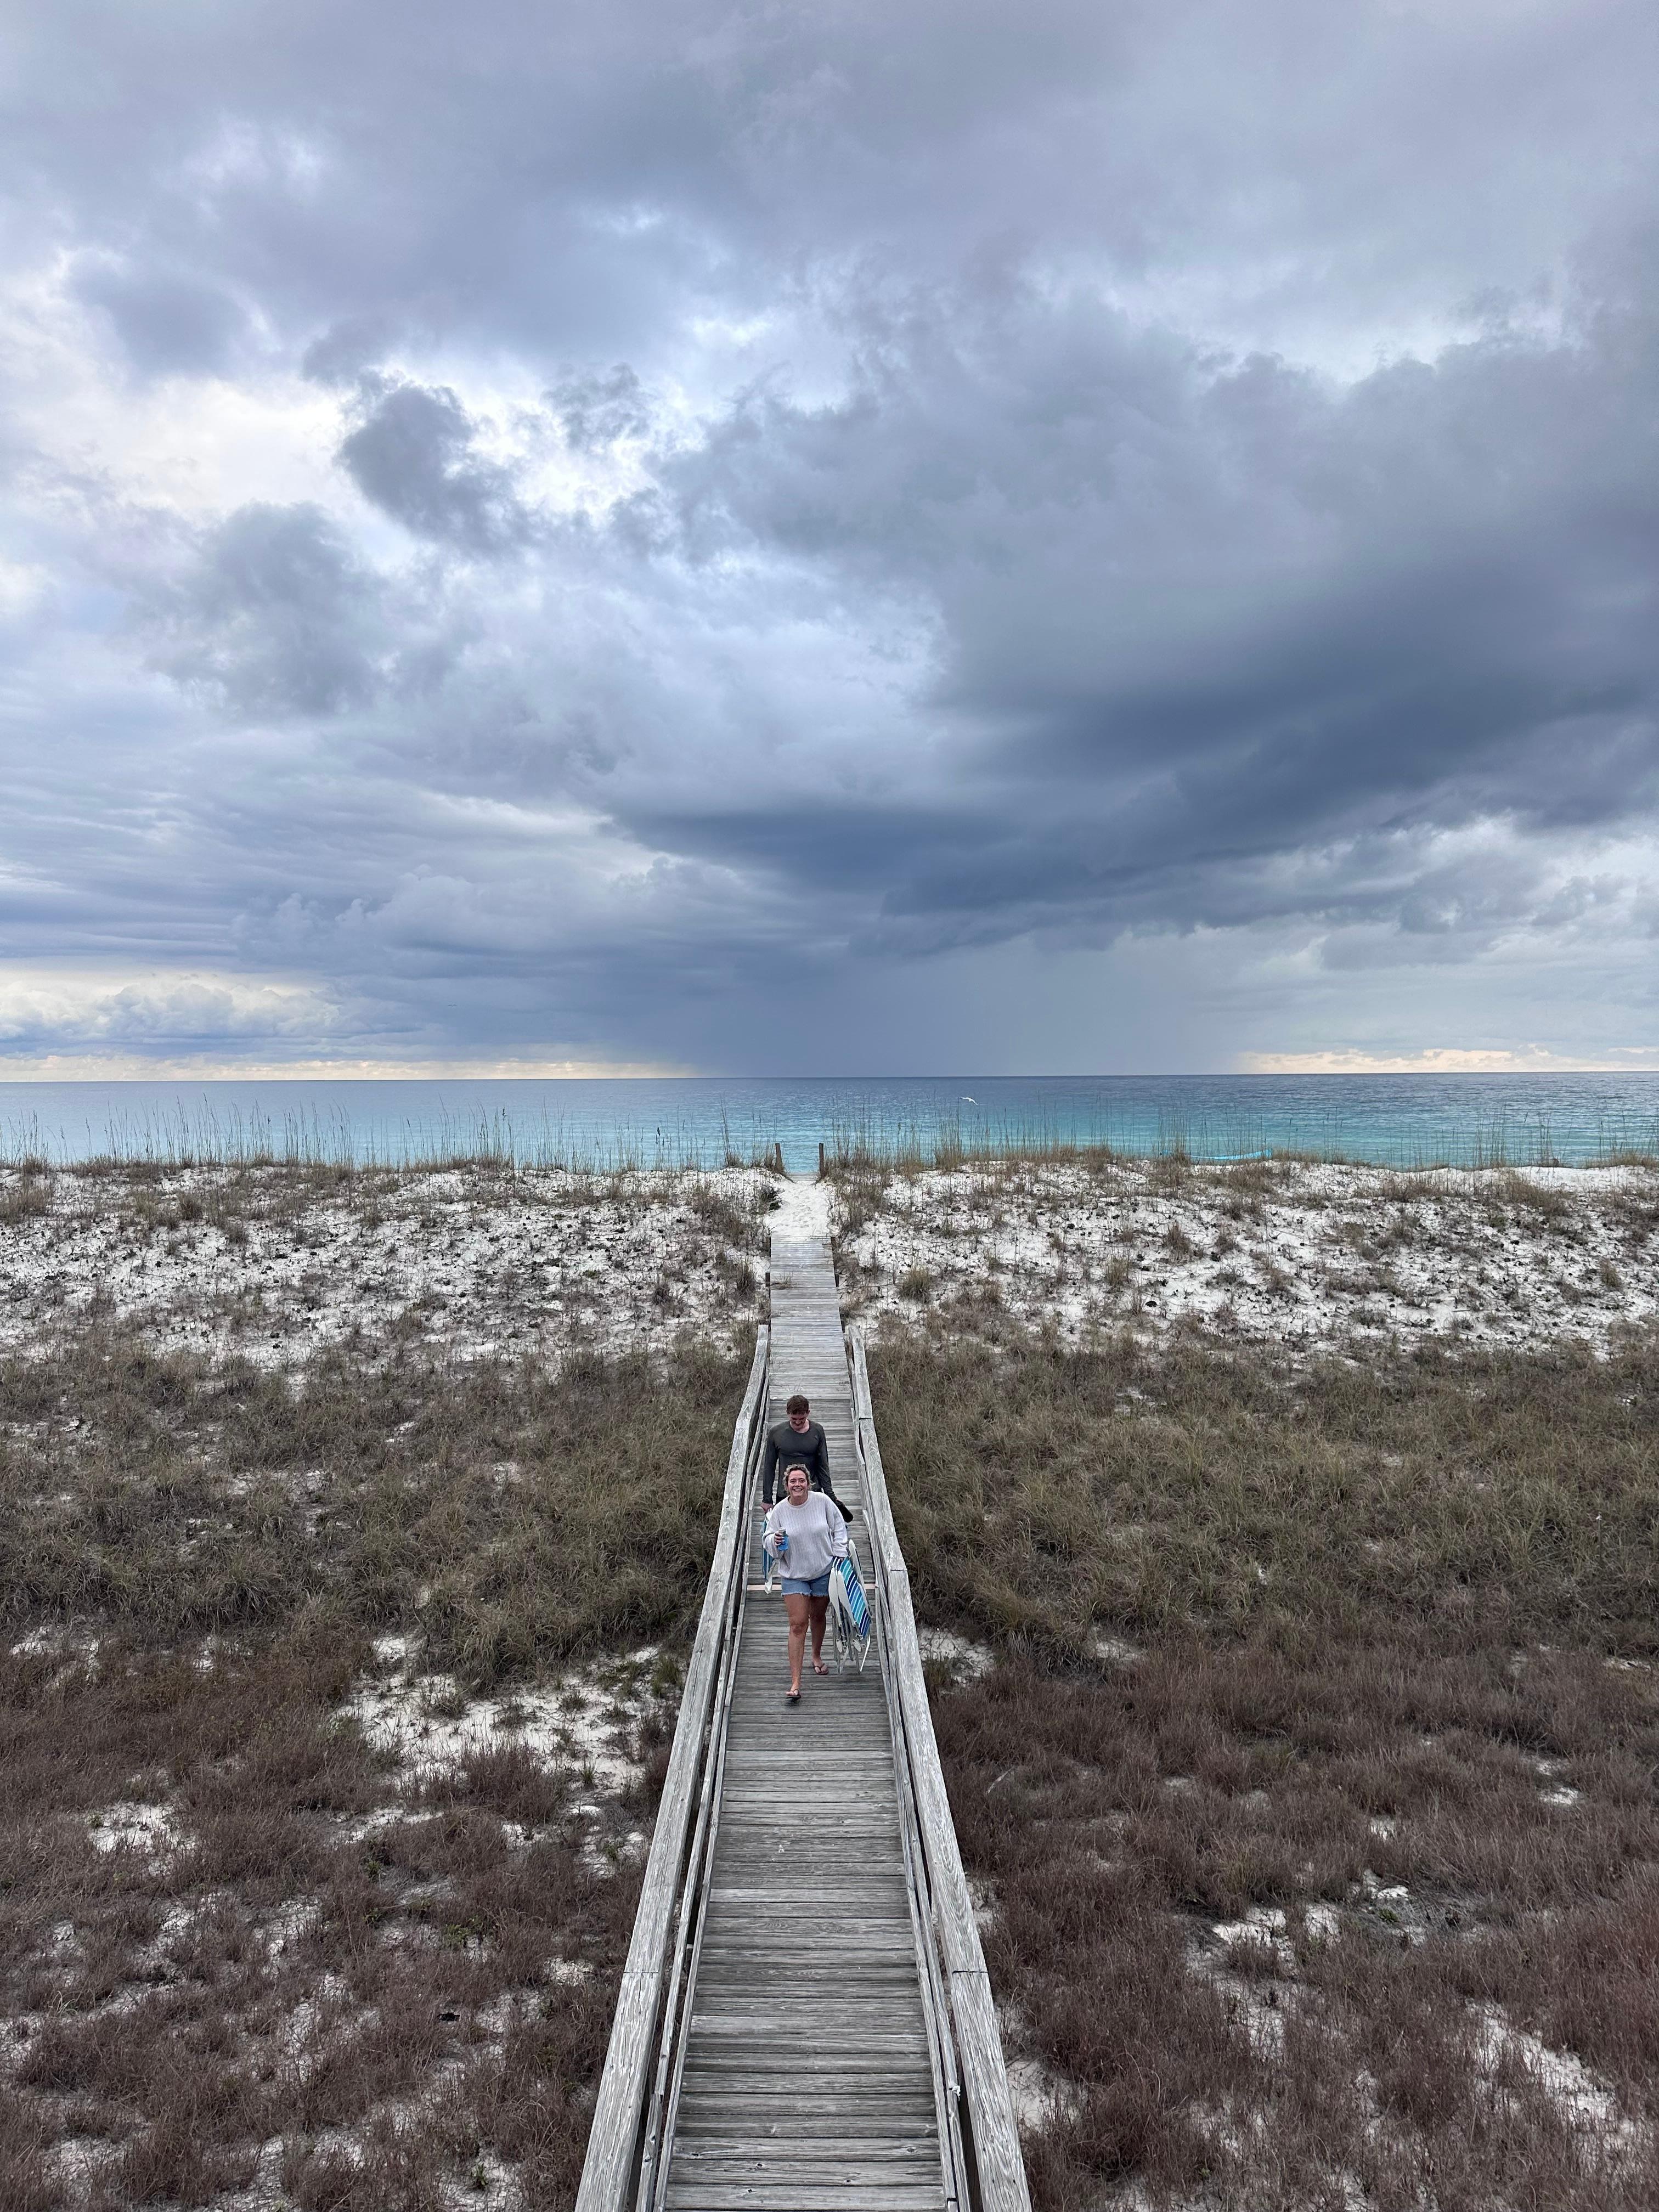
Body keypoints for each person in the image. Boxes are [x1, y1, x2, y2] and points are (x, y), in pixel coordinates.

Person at [763, 1463, 849, 1703]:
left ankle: (817, 1656)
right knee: (798, 1624)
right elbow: (768, 1540)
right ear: (787, 1486)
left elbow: (839, 1527)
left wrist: (839, 1554)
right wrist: (774, 1540)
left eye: (801, 1480)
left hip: (823, 1571)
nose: (797, 1484)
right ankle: (796, 1683)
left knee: (818, 1616)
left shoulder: (822, 1502)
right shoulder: (780, 1511)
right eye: (793, 1481)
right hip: (794, 1575)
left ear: (808, 1483)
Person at [760, 1393, 851, 1515]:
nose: (798, 1422)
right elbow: (769, 1467)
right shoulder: (776, 1433)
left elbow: (823, 1465)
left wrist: (831, 1496)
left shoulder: (817, 1430)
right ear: (787, 1413)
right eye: (794, 1419)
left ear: (808, 1412)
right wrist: (767, 1498)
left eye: (802, 1419)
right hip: (786, 1493)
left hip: (813, 1491)